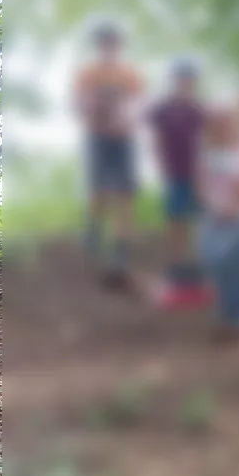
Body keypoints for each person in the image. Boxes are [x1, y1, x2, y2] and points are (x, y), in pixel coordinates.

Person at [73, 22, 143, 283]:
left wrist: (125, 120)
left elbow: (137, 104)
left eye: (113, 42)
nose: (109, 47)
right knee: (98, 191)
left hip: (123, 139)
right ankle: (92, 239)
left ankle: (122, 253)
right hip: (98, 138)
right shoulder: (89, 74)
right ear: (99, 45)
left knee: (125, 194)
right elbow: (80, 103)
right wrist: (96, 111)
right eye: (105, 42)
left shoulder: (128, 74)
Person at [148, 59, 207, 288]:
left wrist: (204, 173)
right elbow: (155, 140)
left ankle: (201, 265)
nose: (186, 83)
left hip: (198, 174)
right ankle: (175, 264)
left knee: (200, 219)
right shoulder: (162, 108)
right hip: (175, 173)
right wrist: (161, 167)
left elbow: (205, 142)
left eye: (190, 79)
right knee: (175, 218)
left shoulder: (198, 109)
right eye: (182, 78)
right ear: (174, 80)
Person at [197, 107, 239, 336]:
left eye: (227, 122)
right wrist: (214, 205)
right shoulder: (207, 154)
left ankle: (238, 316)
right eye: (218, 122)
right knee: (216, 263)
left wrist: (236, 206)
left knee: (236, 265)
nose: (222, 127)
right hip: (213, 218)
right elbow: (201, 183)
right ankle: (228, 310)